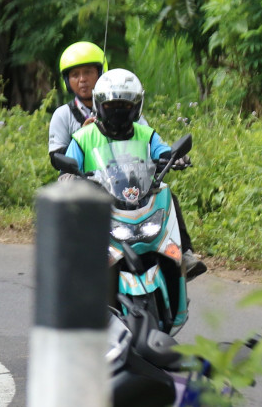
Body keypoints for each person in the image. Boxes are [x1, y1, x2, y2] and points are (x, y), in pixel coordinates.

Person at [63, 69, 205, 279]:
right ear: (99, 104)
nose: (118, 110)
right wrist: (71, 177)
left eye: (125, 105)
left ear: (137, 105)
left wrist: (176, 158)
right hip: (99, 204)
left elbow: (164, 152)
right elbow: (66, 169)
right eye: (111, 105)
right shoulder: (83, 137)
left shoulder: (146, 134)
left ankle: (184, 253)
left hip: (140, 199)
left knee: (167, 194)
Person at [48, 40, 110, 173]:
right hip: (78, 181)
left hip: (118, 179)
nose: (82, 79)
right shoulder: (62, 114)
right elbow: (56, 159)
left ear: (100, 74)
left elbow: (144, 139)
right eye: (75, 75)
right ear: (67, 81)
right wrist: (82, 136)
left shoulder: (120, 107)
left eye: (88, 72)